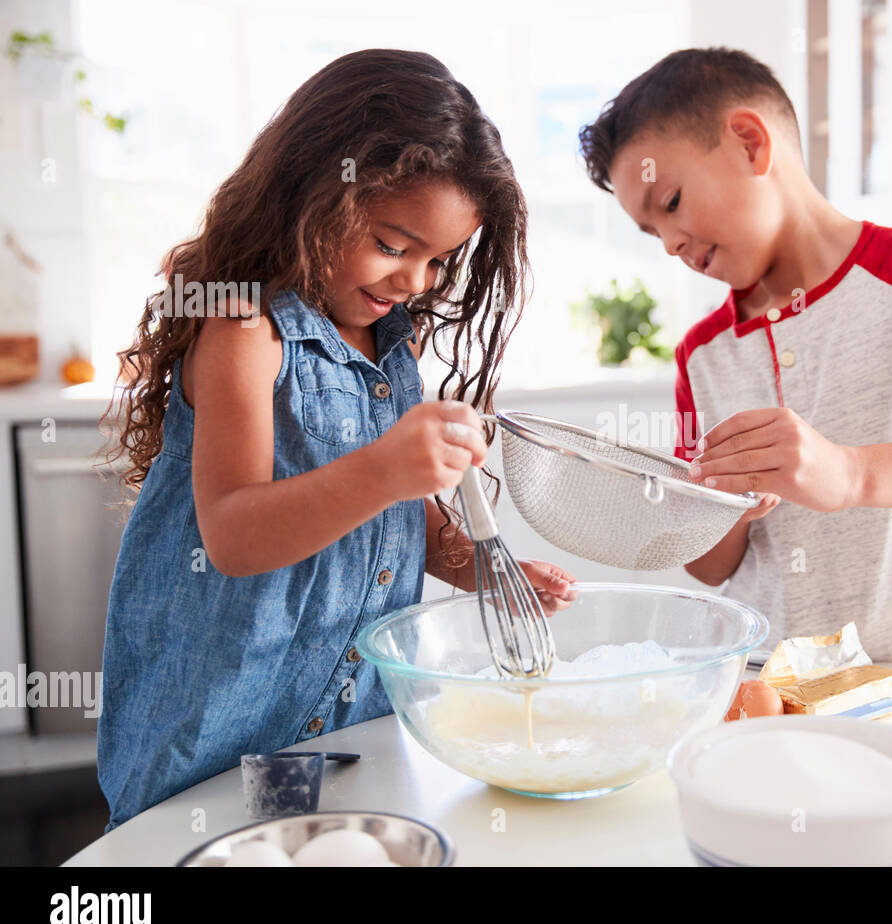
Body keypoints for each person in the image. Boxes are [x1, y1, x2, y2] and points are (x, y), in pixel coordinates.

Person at [98, 49, 574, 830]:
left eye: (438, 260)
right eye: (394, 245)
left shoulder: (392, 345)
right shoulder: (245, 334)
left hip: (347, 725)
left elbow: (388, 521)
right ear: (312, 197)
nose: (416, 280)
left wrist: (477, 566)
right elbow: (234, 535)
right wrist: (388, 468)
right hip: (218, 735)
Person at [578, 47, 892, 666]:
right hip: (764, 691)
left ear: (750, 143)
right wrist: (731, 502)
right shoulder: (702, 355)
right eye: (652, 233)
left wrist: (850, 473)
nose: (671, 243)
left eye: (670, 203)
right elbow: (706, 565)